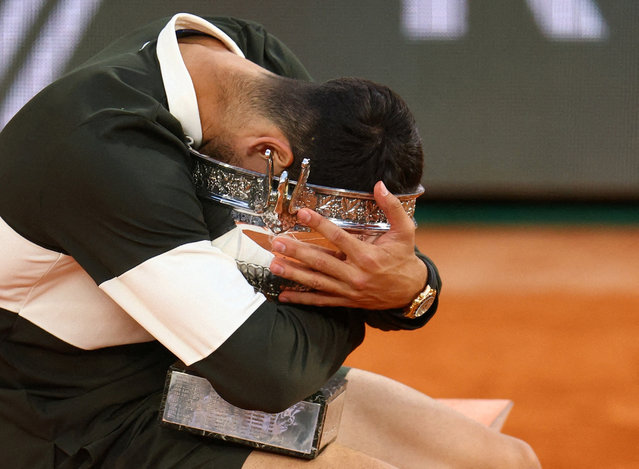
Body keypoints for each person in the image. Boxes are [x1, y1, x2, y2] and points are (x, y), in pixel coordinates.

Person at [0, 12, 539, 468]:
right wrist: (364, 293)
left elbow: (324, 299)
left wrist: (411, 286)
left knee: (506, 459)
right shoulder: (103, 150)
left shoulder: (258, 70)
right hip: (66, 418)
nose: (302, 225)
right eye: (312, 215)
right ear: (271, 154)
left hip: (191, 369)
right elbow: (268, 376)